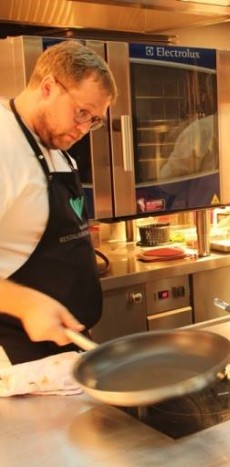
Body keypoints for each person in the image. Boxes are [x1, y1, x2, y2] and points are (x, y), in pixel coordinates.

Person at [0, 40, 117, 364]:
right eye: (81, 112)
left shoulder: (56, 147)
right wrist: (27, 305)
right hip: (15, 355)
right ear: (48, 87)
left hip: (63, 345)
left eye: (94, 120)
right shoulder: (4, 143)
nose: (84, 129)